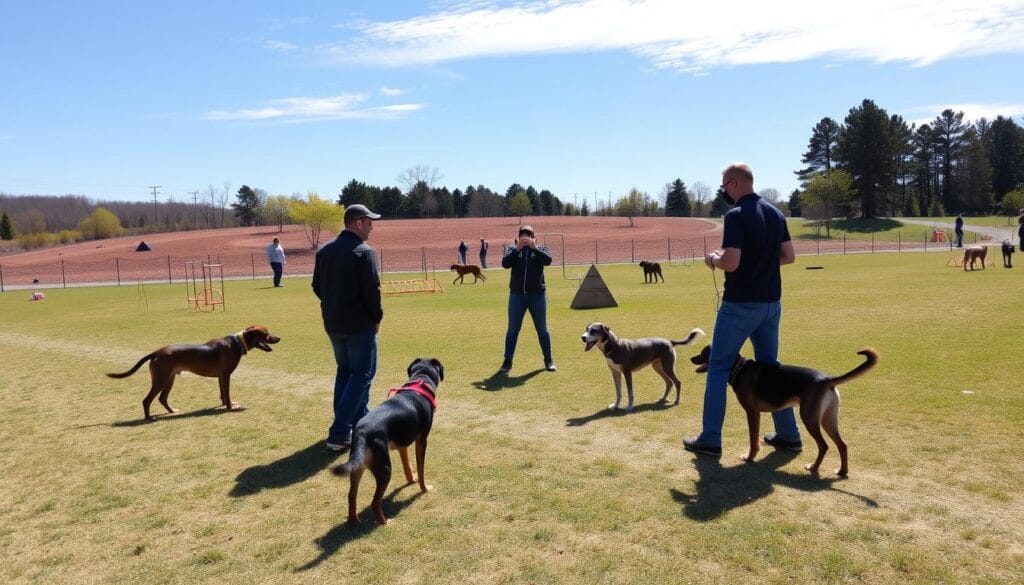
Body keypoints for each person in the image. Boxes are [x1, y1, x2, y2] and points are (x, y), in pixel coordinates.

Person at [683, 163, 799, 458]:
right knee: (770, 366)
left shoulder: (735, 216)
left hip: (739, 305)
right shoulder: (775, 213)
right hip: (771, 304)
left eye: (723, 185)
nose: (722, 190)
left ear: (733, 183)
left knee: (719, 368)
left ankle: (710, 439)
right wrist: (759, 261)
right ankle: (788, 435)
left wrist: (713, 258)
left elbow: (731, 262)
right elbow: (788, 256)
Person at [312, 204, 383, 451]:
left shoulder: (324, 251)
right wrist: (377, 317)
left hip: (333, 324)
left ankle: (359, 424)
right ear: (358, 223)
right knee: (362, 375)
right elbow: (372, 291)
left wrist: (334, 305)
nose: (372, 227)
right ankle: (341, 431)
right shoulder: (364, 252)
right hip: (359, 326)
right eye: (369, 222)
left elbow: (317, 287)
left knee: (346, 372)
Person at [499, 225, 556, 373]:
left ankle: (548, 360)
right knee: (512, 330)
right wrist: (517, 248)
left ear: (534, 237)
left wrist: (534, 248)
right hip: (517, 296)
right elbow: (505, 264)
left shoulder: (541, 249)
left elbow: (548, 261)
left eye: (529, 235)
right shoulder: (513, 250)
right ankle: (507, 361)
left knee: (542, 329)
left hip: (537, 296)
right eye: (523, 235)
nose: (526, 238)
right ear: (518, 237)